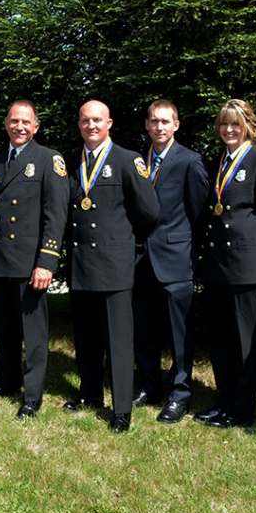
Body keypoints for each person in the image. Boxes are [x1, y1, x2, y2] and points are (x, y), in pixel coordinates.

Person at [64, 100, 160, 432]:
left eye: (98, 120)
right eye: (85, 120)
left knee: (118, 341)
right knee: (86, 337)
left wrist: (125, 243)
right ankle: (90, 394)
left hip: (115, 264)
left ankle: (121, 409)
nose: (91, 126)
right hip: (81, 264)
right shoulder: (70, 161)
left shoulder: (127, 160)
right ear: (79, 124)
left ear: (110, 123)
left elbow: (149, 211)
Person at [0, 100, 68, 418]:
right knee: (5, 328)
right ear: (6, 123)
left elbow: (56, 215)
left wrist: (47, 262)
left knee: (33, 332)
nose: (20, 127)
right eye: (14, 121)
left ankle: (33, 393)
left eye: (26, 122)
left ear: (36, 126)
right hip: (0, 259)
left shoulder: (48, 159)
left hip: (31, 263)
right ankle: (7, 380)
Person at [196, 100, 256, 429]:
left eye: (235, 124)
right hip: (218, 263)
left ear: (248, 125)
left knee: (247, 343)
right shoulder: (219, 161)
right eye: (223, 125)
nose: (228, 130)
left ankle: (242, 410)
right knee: (221, 339)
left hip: (247, 266)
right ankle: (225, 399)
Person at [131, 99, 209, 423]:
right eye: (154, 121)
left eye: (166, 121)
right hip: (141, 259)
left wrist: (190, 253)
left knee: (179, 334)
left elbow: (199, 213)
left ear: (176, 125)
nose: (159, 127)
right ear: (147, 125)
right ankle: (150, 386)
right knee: (144, 328)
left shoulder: (190, 161)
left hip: (175, 260)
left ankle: (180, 395)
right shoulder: (137, 161)